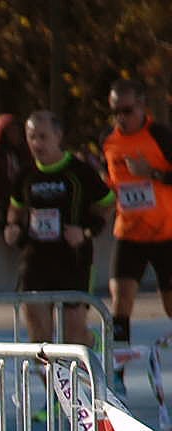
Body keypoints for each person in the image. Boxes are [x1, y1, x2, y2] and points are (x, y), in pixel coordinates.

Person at [3, 110, 113, 350]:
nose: (37, 144)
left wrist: (85, 231)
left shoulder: (79, 172)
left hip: (73, 259)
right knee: (39, 339)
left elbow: (107, 205)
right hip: (35, 259)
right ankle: (52, 377)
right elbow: (15, 209)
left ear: (58, 136)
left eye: (43, 137)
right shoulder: (25, 174)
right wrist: (12, 227)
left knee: (73, 336)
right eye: (31, 137)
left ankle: (96, 345)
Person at [102, 78, 172, 388]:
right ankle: (117, 376)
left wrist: (152, 173)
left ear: (142, 105)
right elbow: (111, 184)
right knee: (120, 301)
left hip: (166, 233)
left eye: (127, 110)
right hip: (129, 233)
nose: (121, 117)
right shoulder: (108, 141)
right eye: (115, 111)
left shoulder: (160, 136)